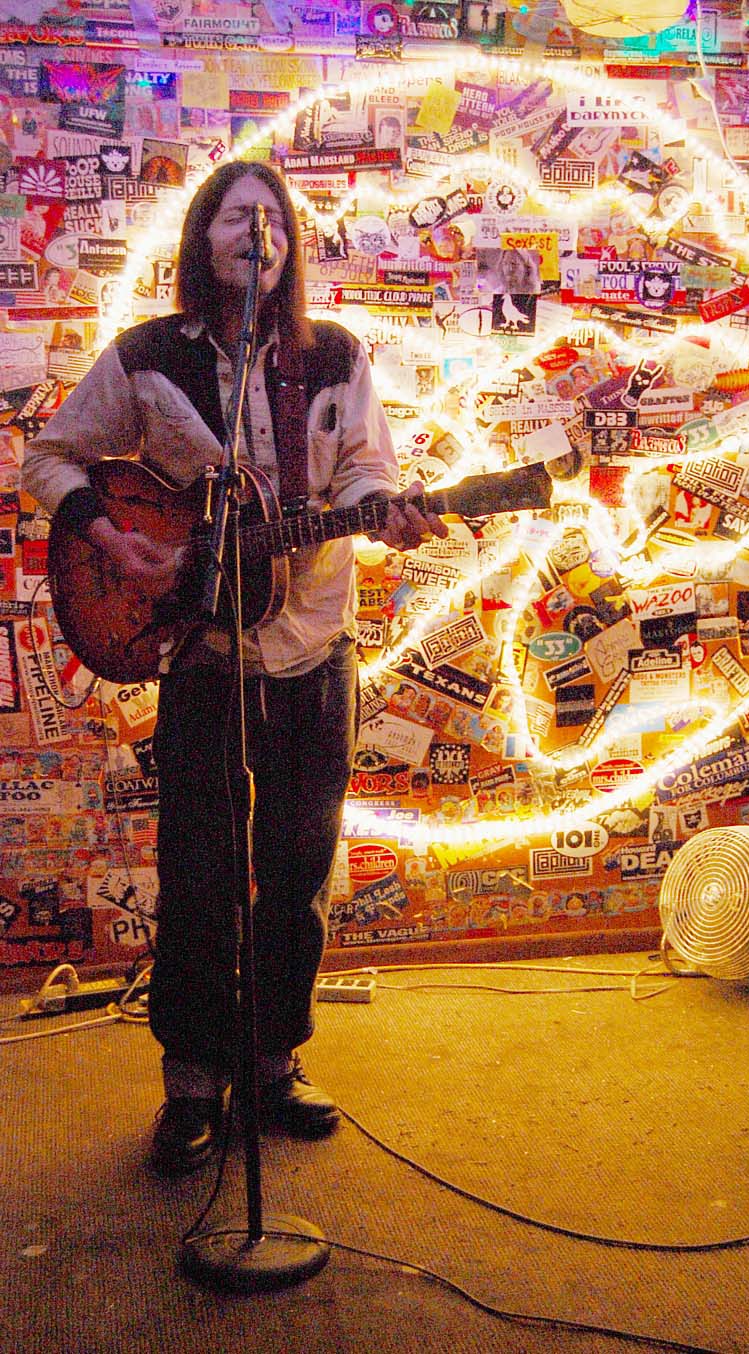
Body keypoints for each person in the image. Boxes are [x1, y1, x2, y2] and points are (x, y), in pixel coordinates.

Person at [22, 160, 447, 1176]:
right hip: (206, 655)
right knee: (201, 872)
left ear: (290, 246)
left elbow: (369, 474)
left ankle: (273, 1061)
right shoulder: (149, 355)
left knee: (298, 872)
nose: (256, 233)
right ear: (203, 236)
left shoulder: (336, 356)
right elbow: (51, 459)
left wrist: (387, 512)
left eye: (273, 220)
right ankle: (192, 1081)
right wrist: (115, 542)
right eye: (235, 216)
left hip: (312, 650)